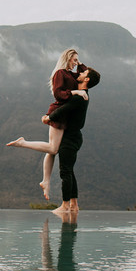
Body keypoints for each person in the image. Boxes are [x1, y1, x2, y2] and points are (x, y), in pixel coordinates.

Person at [7, 49, 86, 199]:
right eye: (74, 60)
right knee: (53, 148)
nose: (76, 63)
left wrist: (80, 63)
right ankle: (23, 143)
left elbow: (86, 74)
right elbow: (58, 93)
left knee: (52, 150)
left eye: (77, 61)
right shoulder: (60, 73)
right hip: (58, 114)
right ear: (67, 59)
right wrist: (75, 93)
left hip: (65, 116)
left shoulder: (70, 74)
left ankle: (46, 181)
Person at [44, 66, 99, 217]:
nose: (80, 73)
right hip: (75, 137)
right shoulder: (83, 95)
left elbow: (63, 110)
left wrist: (48, 117)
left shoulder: (78, 97)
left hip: (70, 138)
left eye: (83, 73)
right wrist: (77, 61)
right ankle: (74, 205)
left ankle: (65, 205)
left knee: (65, 172)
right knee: (70, 171)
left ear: (86, 79)